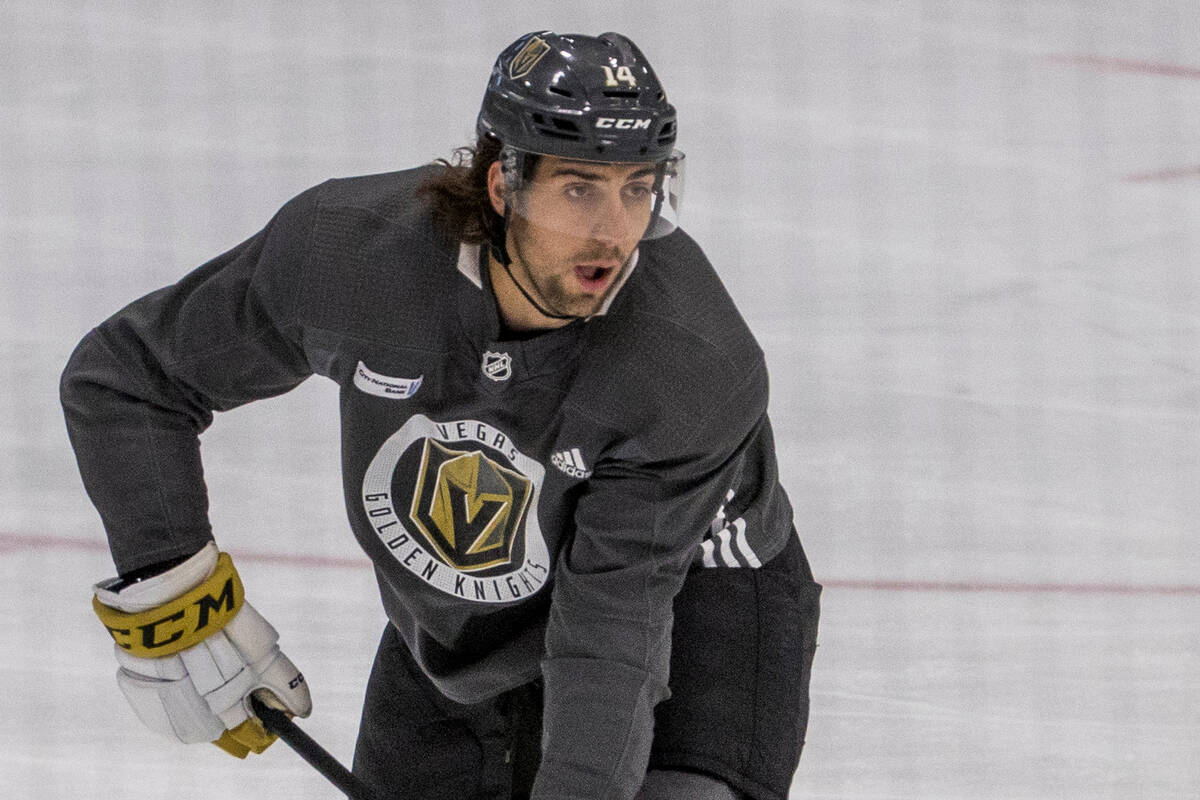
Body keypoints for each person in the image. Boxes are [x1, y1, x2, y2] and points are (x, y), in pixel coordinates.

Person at [62, 30, 821, 800]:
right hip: (468, 613)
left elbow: (611, 638)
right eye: (579, 188)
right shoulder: (348, 257)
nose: (614, 232)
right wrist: (174, 589)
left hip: (695, 596)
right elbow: (128, 380)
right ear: (503, 186)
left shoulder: (690, 361)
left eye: (638, 188)